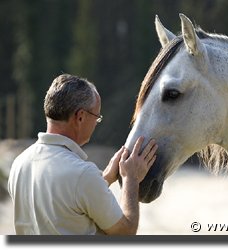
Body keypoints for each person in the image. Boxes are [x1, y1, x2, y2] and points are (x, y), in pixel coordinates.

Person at [7, 74, 158, 235]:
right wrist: (131, 179)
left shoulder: (19, 164)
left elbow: (68, 203)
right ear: (80, 117)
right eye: (97, 117)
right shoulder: (83, 174)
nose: (96, 123)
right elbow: (126, 232)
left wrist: (105, 177)